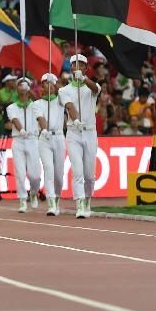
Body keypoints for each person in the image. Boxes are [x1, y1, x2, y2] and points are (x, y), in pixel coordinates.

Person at [60, 54, 101, 219]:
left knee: (89, 175)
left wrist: (83, 79)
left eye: (81, 65)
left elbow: (96, 89)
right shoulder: (64, 90)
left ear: (86, 68)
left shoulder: (91, 87)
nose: (77, 67)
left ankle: (88, 200)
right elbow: (69, 106)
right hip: (73, 133)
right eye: (75, 65)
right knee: (77, 171)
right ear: (71, 68)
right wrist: (75, 120)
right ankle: (80, 203)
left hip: (90, 133)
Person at [5, 77, 41, 213]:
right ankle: (22, 199)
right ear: (16, 88)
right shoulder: (11, 107)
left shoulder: (36, 105)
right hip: (18, 140)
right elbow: (14, 119)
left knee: (35, 175)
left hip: (33, 140)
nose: (22, 87)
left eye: (24, 85)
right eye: (19, 85)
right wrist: (21, 130)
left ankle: (33, 193)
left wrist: (29, 91)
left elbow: (36, 100)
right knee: (20, 173)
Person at [35, 72, 66, 216]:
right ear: (42, 86)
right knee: (49, 169)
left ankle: (57, 198)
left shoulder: (61, 100)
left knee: (59, 174)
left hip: (59, 137)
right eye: (46, 83)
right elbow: (41, 118)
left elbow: (64, 93)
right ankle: (51, 203)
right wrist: (45, 129)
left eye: (51, 83)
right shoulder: (37, 104)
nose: (49, 86)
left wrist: (56, 83)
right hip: (45, 138)